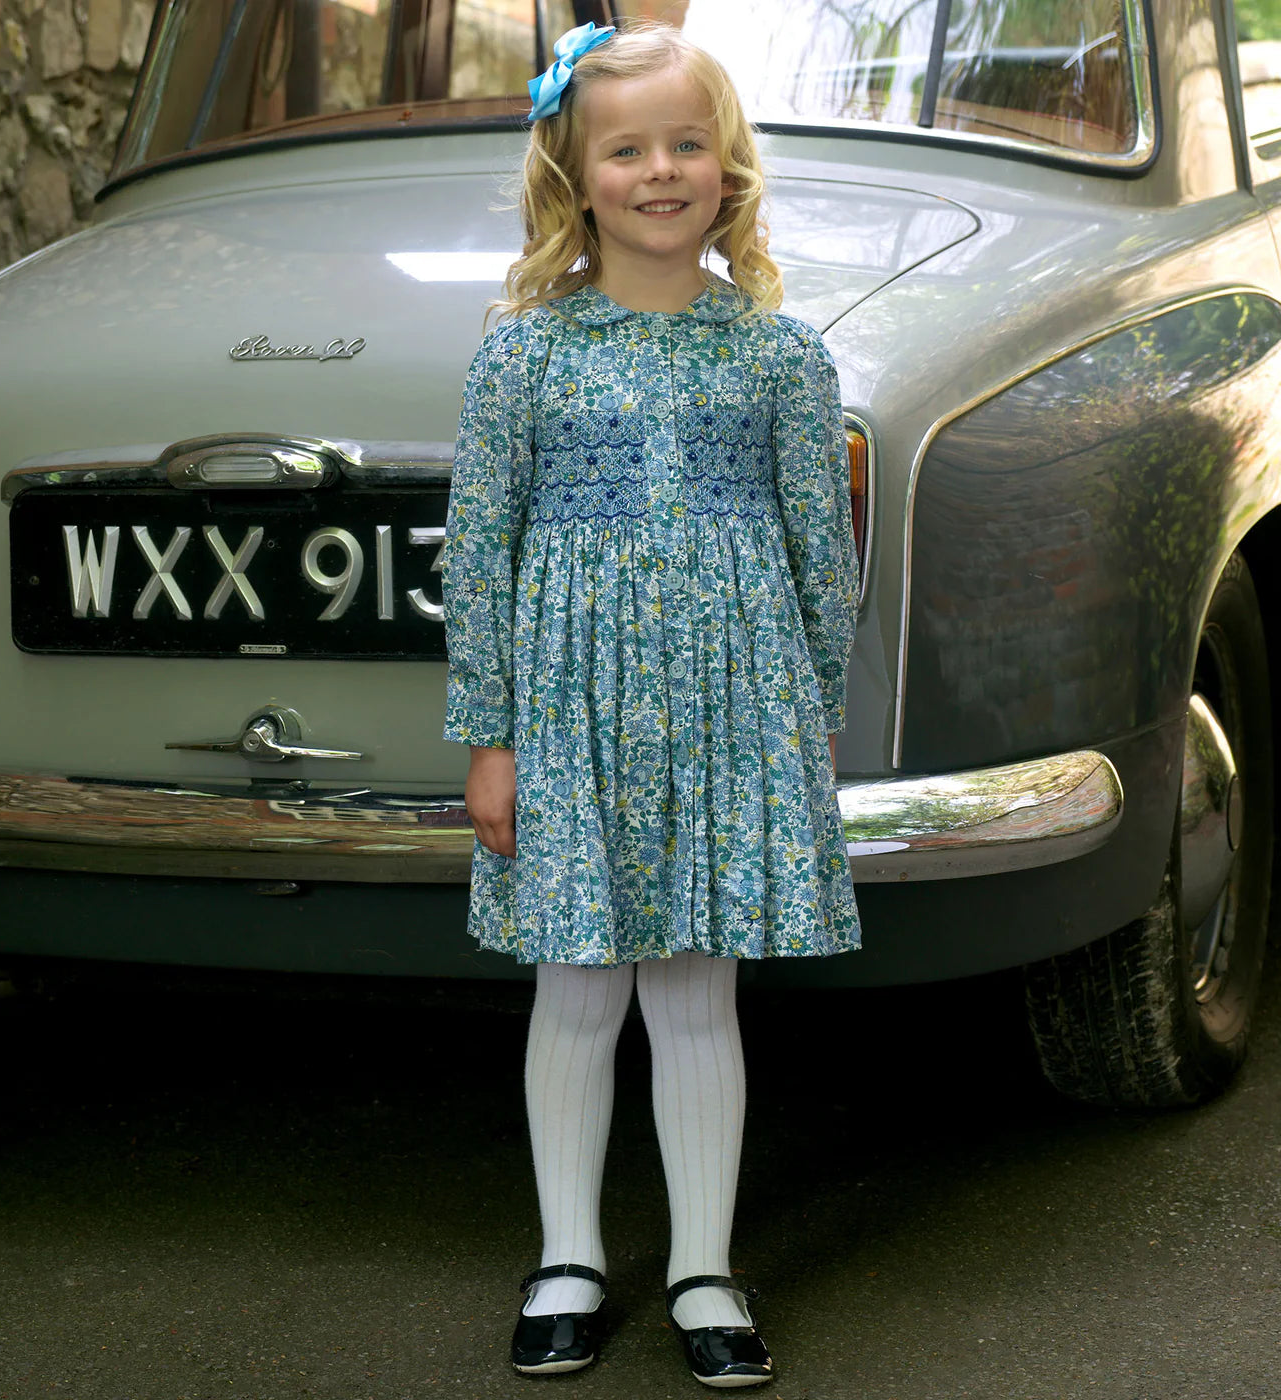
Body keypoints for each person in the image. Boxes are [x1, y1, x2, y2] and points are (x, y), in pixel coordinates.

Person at [440, 18, 861, 1388]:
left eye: (688, 144)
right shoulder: (524, 357)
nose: (661, 171)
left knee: (693, 1000)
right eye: (628, 149)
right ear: (577, 172)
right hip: (568, 714)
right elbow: (484, 550)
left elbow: (818, 552)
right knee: (576, 991)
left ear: (728, 169)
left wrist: (818, 720)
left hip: (737, 714)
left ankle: (702, 1269)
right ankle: (567, 1256)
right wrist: (489, 736)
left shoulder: (780, 355)